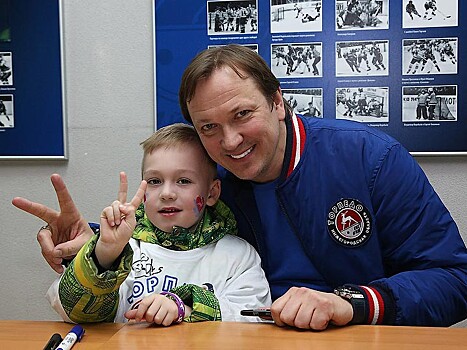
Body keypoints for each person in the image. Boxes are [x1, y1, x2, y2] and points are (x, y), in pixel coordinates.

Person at [14, 44, 467, 331]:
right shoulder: (212, 179)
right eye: (208, 127)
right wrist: (92, 240)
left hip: (364, 336)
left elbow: (454, 280)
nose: (229, 142)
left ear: (277, 102)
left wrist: (353, 303)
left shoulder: (371, 159)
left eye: (242, 115)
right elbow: (168, 233)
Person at [39, 123, 271, 325]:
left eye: (183, 181)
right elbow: (73, 312)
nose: (167, 193)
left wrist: (187, 309)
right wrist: (104, 256)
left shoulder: (237, 255)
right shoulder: (127, 249)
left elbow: (253, 319)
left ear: (211, 193)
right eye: (154, 181)